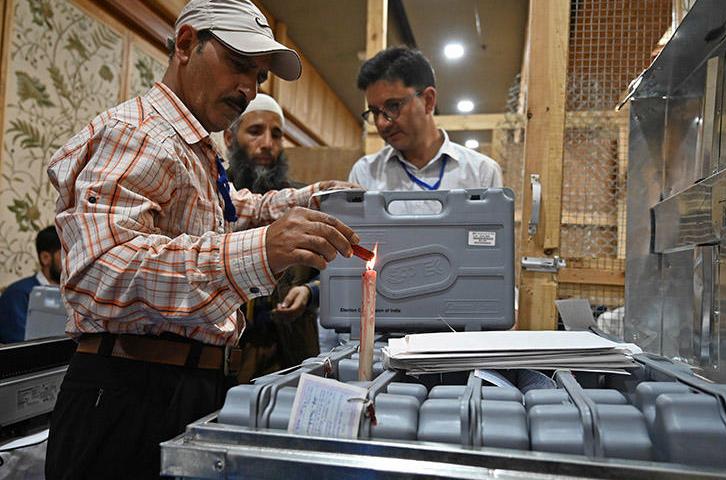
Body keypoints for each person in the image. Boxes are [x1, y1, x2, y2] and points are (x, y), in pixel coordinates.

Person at [44, 1, 360, 478]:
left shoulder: (196, 149)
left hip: (188, 384)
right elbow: (101, 269)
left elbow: (234, 210)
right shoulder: (139, 132)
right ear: (187, 44)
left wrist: (318, 200)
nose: (249, 90)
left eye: (258, 77)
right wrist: (260, 249)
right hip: (128, 394)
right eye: (238, 65)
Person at [223, 93, 321, 381]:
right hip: (230, 354)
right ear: (230, 139)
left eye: (276, 134)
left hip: (293, 351)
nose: (267, 143)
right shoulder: (212, 196)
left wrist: (309, 291)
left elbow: (336, 271)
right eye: (255, 131)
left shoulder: (304, 200)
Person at [349, 46, 503, 213]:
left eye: (393, 106)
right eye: (375, 112)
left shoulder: (481, 173)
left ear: (428, 101)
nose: (382, 123)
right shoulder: (365, 173)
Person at [0, 226, 61, 343]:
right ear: (45, 258)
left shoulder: (74, 293)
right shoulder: (17, 295)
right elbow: (22, 349)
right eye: (65, 254)